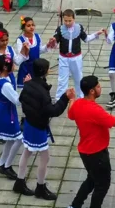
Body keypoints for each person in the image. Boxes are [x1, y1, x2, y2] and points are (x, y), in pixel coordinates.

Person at [65, 75, 115, 208]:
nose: (101, 88)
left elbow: (70, 114)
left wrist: (72, 99)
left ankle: (75, 207)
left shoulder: (79, 104)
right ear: (92, 91)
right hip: (97, 153)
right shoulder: (94, 110)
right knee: (102, 184)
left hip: (85, 151)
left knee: (92, 180)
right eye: (99, 87)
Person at [15, 58, 73, 200]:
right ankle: (40, 187)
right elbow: (52, 111)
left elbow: (22, 98)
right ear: (44, 72)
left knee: (27, 152)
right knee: (45, 157)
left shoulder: (28, 84)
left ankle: (19, 181)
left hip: (29, 122)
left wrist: (28, 84)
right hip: (37, 126)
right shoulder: (41, 91)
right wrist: (65, 98)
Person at [48, 9, 104, 100]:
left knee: (78, 78)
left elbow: (86, 39)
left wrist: (96, 34)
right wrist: (53, 41)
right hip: (64, 58)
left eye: (70, 20)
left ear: (74, 19)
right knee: (62, 79)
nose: (67, 23)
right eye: (65, 20)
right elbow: (55, 42)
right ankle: (59, 99)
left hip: (76, 58)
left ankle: (81, 97)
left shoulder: (79, 28)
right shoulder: (60, 29)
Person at [0, 56, 24, 179]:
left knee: (11, 139)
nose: (14, 65)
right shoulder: (5, 85)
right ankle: (7, 166)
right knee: (18, 139)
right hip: (7, 113)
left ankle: (1, 164)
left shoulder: (0, 77)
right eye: (12, 64)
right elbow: (17, 101)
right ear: (5, 67)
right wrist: (26, 87)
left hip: (4, 110)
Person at [14, 16, 47, 86]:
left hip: (36, 67)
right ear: (23, 28)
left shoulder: (37, 37)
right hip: (26, 68)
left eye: (33, 25)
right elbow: (21, 56)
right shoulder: (20, 40)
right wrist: (25, 49)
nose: (31, 27)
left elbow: (40, 50)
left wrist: (48, 45)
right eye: (28, 26)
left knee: (37, 87)